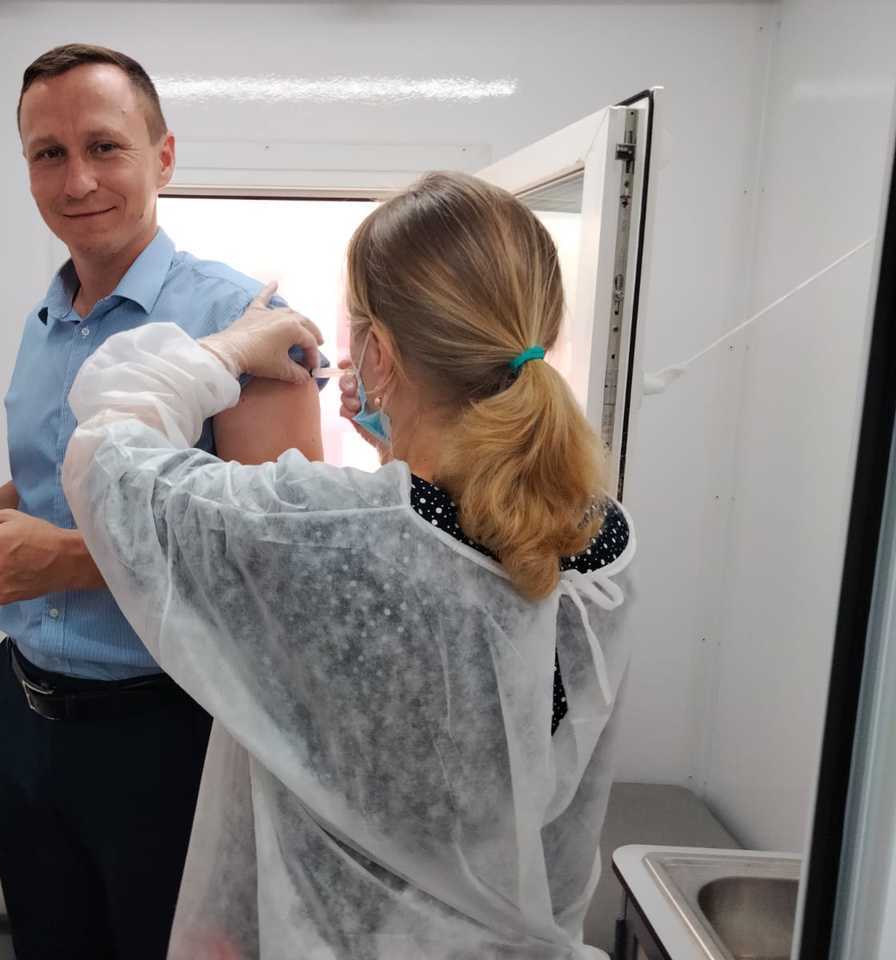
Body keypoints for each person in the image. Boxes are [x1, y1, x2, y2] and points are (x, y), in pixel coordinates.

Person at [61, 172, 636, 958]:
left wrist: (225, 350)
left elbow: (106, 455)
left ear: (380, 352)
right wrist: (406, 443)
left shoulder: (325, 529)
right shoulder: (601, 536)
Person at [0, 44, 322, 960]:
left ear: (163, 157)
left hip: (169, 733)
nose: (77, 179)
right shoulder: (47, 320)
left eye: (104, 146)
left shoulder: (242, 321)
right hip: (25, 717)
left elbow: (277, 557)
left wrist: (61, 561)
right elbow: (63, 485)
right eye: (48, 154)